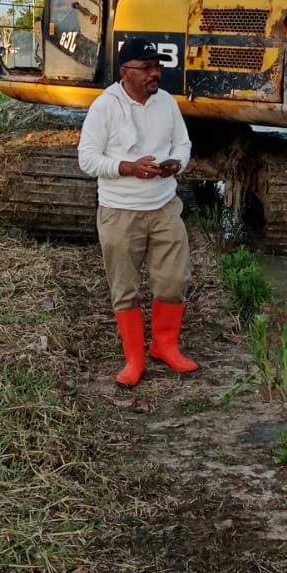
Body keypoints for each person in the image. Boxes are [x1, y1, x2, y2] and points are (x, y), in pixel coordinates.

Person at [78, 37, 197, 386]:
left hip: (163, 206)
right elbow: (87, 159)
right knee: (125, 288)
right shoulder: (104, 107)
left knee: (174, 279)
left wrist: (176, 164)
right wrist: (128, 168)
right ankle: (135, 360)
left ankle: (165, 346)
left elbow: (183, 143)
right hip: (120, 211)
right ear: (124, 72)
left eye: (156, 67)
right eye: (146, 68)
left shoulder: (167, 104)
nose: (154, 74)